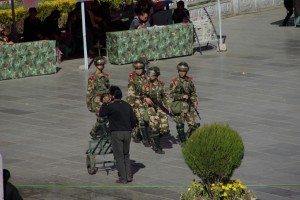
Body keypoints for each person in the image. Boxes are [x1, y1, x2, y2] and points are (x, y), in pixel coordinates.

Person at [99, 86, 137, 184]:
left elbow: (101, 114)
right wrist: (130, 128)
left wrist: (105, 103)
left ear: (112, 96)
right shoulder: (127, 105)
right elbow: (134, 120)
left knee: (119, 156)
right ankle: (129, 176)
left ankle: (123, 178)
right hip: (127, 133)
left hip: (116, 133)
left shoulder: (111, 106)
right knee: (126, 155)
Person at [142, 66, 170, 154]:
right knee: (155, 127)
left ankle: (154, 138)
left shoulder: (161, 85)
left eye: (151, 75)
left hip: (160, 108)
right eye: (149, 75)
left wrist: (168, 106)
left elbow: (165, 96)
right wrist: (145, 99)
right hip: (151, 109)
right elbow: (140, 96)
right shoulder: (146, 86)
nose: (149, 77)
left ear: (156, 75)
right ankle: (157, 147)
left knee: (165, 129)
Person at [169, 62, 199, 143]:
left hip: (189, 106)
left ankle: (188, 137)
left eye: (183, 71)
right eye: (180, 71)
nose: (181, 72)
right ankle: (183, 141)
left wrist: (195, 101)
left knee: (193, 125)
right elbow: (171, 94)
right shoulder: (174, 82)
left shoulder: (189, 81)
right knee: (180, 125)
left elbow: (193, 92)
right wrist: (181, 96)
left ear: (186, 71)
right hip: (179, 106)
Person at [127, 60, 151, 147]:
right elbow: (131, 91)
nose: (137, 70)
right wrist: (131, 105)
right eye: (136, 68)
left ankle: (137, 134)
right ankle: (145, 139)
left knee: (147, 119)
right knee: (141, 120)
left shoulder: (148, 74)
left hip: (147, 99)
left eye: (139, 69)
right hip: (137, 100)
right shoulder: (132, 77)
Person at [86, 56, 110, 140]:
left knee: (106, 117)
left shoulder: (105, 76)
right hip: (97, 100)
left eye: (102, 64)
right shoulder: (93, 78)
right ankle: (101, 133)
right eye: (99, 65)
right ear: (96, 65)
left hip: (105, 99)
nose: (101, 66)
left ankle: (95, 131)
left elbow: (108, 87)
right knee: (101, 117)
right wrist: (89, 104)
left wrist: (109, 97)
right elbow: (89, 91)